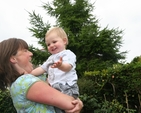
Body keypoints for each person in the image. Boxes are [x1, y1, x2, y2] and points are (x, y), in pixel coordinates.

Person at [0, 38, 83, 113]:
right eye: (25, 51)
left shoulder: (17, 84)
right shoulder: (25, 82)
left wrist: (76, 101)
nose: (31, 54)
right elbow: (70, 104)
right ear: (13, 58)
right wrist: (77, 102)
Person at [31, 27, 79, 113]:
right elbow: (42, 68)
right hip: (54, 88)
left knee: (69, 108)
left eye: (54, 42)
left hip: (67, 87)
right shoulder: (50, 58)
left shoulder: (68, 54)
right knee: (57, 110)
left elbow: (68, 67)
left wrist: (60, 65)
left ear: (64, 41)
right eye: (48, 44)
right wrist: (29, 74)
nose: (51, 45)